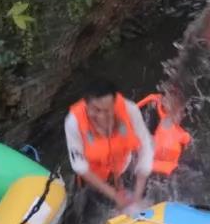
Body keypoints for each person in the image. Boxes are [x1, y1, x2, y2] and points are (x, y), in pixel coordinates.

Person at [65, 79, 156, 213]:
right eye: (96, 110)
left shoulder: (130, 109)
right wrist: (113, 195)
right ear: (86, 105)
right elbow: (80, 166)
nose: (102, 116)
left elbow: (146, 144)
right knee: (89, 210)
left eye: (107, 111)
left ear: (114, 104)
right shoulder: (73, 122)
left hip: (122, 167)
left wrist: (137, 194)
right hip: (94, 179)